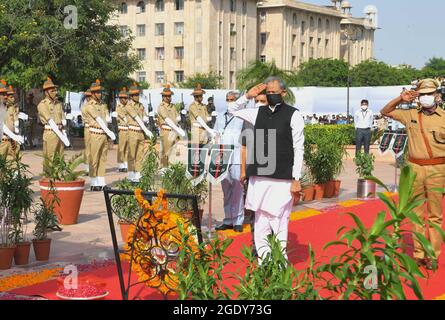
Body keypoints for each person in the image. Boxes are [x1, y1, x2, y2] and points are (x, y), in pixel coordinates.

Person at [232, 77, 304, 262]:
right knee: (261, 222)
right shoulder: (257, 113)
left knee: (279, 223)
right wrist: (247, 96)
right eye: (268, 93)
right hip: (259, 178)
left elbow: (299, 147)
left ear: (283, 93)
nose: (271, 95)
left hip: (282, 180)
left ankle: (280, 264)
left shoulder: (293, 114)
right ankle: (264, 264)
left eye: (274, 92)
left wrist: (297, 178)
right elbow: (232, 109)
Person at [380, 79, 445, 270]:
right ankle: (418, 254)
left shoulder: (444, 117)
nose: (426, 98)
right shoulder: (410, 115)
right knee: (416, 214)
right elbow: (385, 111)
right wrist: (401, 98)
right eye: (422, 94)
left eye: (429, 94)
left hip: (438, 169)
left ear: (437, 96)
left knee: (435, 215)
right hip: (415, 168)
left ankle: (432, 255)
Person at [214, 91, 245, 233]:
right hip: (223, 157)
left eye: (232, 100)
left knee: (238, 189)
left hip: (238, 157)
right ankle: (228, 219)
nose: (230, 102)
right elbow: (216, 135)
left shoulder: (243, 117)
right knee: (226, 189)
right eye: (228, 100)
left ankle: (238, 220)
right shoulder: (220, 117)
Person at [84, 80, 116, 191]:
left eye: (100, 92)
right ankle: (93, 183)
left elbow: (107, 117)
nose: (99, 94)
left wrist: (109, 120)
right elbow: (98, 119)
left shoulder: (103, 104)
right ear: (92, 94)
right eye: (97, 92)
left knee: (103, 158)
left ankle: (101, 182)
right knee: (94, 158)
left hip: (103, 135)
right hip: (95, 133)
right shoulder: (89, 106)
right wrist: (109, 132)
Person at [37, 77, 69, 171]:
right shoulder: (42, 104)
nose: (55, 92)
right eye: (52, 90)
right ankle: (49, 180)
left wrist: (64, 132)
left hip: (60, 132)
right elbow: (49, 121)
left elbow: (63, 118)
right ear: (46, 92)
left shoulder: (58, 103)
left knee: (60, 156)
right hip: (50, 133)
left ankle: (59, 177)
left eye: (55, 90)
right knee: (50, 157)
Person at [126, 83, 153, 182]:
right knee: (131, 155)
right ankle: (130, 175)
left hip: (140, 133)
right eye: (135, 95)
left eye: (138, 94)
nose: (137, 96)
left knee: (140, 155)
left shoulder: (141, 105)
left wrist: (150, 116)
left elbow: (143, 117)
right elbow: (137, 118)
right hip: (133, 131)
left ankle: (138, 174)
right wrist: (146, 130)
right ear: (131, 96)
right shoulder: (129, 106)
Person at [157, 84, 184, 167]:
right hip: (166, 131)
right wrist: (177, 129)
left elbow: (177, 118)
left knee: (174, 151)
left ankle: (170, 167)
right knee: (166, 151)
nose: (169, 97)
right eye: (166, 96)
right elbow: (167, 120)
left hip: (174, 131)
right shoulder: (161, 107)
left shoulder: (173, 106)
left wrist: (182, 115)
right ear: (163, 97)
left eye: (170, 96)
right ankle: (163, 168)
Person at [0, 82, 23, 160]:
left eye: (6, 94)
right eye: (3, 94)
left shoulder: (10, 108)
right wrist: (14, 136)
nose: (6, 96)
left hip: (10, 141)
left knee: (13, 167)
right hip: (1, 143)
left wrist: (15, 135)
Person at [116, 88, 129, 172]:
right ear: (120, 99)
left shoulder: (128, 106)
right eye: (123, 98)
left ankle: (126, 164)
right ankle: (121, 165)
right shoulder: (118, 107)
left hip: (128, 129)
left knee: (128, 148)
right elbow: (124, 118)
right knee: (122, 148)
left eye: (126, 98)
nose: (125, 99)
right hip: (122, 129)